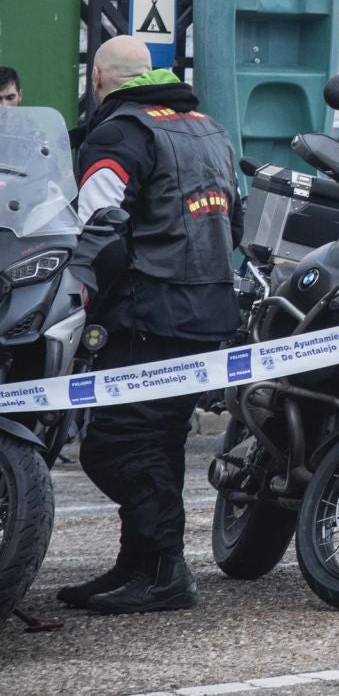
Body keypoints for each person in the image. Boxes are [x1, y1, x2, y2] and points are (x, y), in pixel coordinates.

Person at [59, 36, 240, 615]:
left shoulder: (118, 133)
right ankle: (139, 564)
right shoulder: (207, 128)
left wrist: (78, 301)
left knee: (114, 448)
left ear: (98, 80)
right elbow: (230, 218)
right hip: (206, 312)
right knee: (157, 441)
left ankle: (165, 572)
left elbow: (95, 227)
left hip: (145, 313)